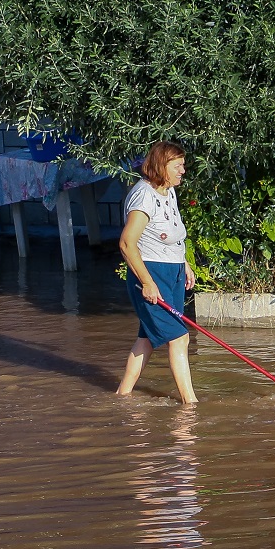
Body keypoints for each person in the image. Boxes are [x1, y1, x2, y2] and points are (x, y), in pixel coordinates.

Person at [116, 141, 198, 404]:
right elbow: (127, 243)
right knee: (180, 337)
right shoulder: (144, 195)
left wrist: (183, 262)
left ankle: (121, 397)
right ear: (162, 166)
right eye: (178, 166)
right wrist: (148, 283)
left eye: (183, 165)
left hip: (171, 274)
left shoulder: (168, 191)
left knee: (147, 338)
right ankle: (191, 405)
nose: (183, 170)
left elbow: (172, 235)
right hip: (151, 275)